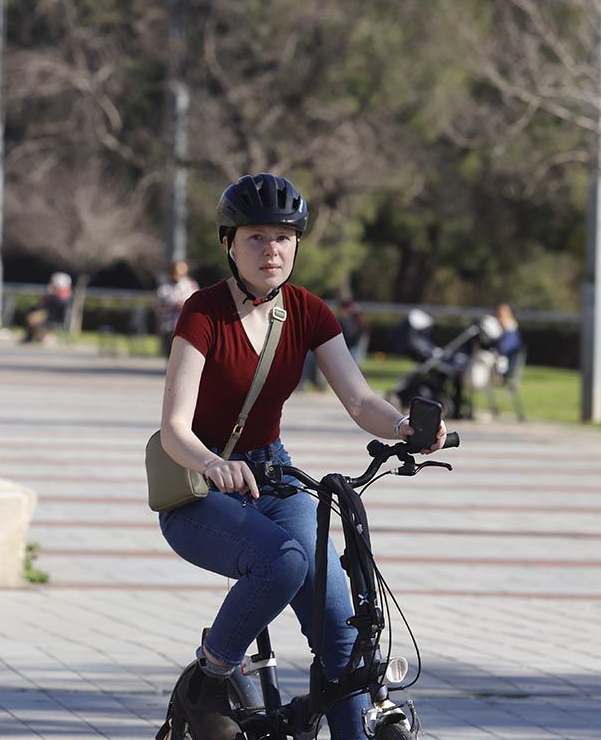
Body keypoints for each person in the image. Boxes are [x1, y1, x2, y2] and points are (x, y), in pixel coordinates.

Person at [158, 173, 447, 739]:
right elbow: (173, 429)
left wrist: (405, 427)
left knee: (344, 632)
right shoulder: (203, 313)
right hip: (198, 485)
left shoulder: (309, 313)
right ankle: (211, 676)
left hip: (274, 475)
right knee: (284, 561)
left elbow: (361, 399)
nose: (272, 250)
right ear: (229, 243)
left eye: (284, 237)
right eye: (256, 237)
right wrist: (213, 463)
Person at [155, 259, 199, 358]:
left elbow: (195, 300)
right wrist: (179, 304)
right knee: (171, 357)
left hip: (188, 327)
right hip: (170, 327)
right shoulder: (164, 286)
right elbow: (164, 302)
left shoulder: (190, 284)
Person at [22, 272, 72, 343]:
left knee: (32, 319)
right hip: (47, 314)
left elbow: (56, 308)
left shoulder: (62, 295)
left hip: (52, 316)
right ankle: (34, 336)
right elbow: (42, 305)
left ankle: (36, 337)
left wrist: (51, 295)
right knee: (31, 317)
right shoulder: (51, 294)